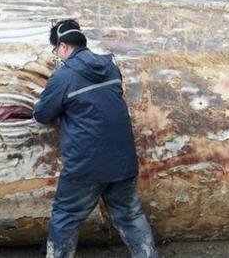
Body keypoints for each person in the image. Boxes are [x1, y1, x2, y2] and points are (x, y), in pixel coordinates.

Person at [34, 19, 158, 258]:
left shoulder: (63, 77)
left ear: (63, 46)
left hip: (86, 167)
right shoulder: (110, 66)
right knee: (131, 216)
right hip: (124, 162)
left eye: (56, 50)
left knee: (65, 217)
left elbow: (42, 114)